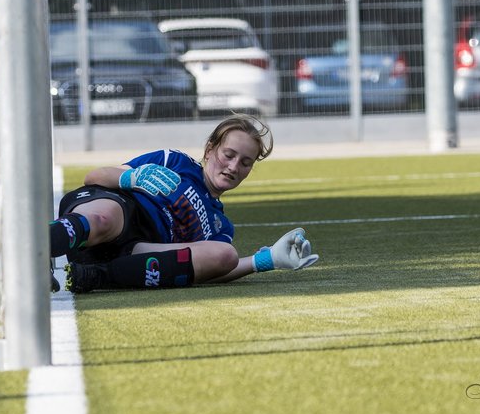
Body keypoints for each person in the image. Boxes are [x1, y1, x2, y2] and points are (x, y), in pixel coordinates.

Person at [47, 114, 319, 293]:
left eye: (245, 162)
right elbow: (93, 177)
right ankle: (32, 255)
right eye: (228, 154)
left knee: (226, 253)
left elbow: (214, 268)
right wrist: (132, 176)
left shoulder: (220, 226)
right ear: (210, 149)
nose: (233, 166)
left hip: (135, 253)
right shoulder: (173, 161)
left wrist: (267, 259)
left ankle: (93, 277)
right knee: (106, 217)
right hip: (116, 212)